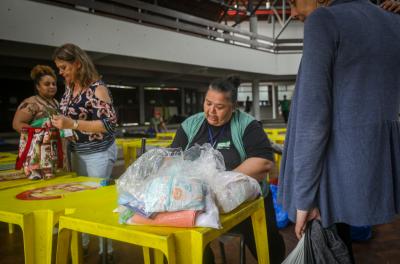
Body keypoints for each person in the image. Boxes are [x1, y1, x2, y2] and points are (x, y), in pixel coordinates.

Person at [278, 0, 400, 262]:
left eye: (293, 2)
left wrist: (304, 198)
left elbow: (313, 119)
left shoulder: (323, 20)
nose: (293, 13)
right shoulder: (394, 23)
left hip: (328, 174)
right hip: (375, 168)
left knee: (331, 250)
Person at [171, 76, 285, 264]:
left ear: (233, 106)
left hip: (245, 203)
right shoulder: (191, 125)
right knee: (188, 245)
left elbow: (263, 162)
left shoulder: (247, 125)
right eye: (208, 103)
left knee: (268, 248)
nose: (211, 111)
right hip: (199, 200)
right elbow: (173, 158)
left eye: (220, 106)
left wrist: (220, 182)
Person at [51, 43, 117, 263]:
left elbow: (109, 125)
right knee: (81, 202)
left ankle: (105, 250)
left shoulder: (97, 88)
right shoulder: (69, 90)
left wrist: (73, 123)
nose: (60, 72)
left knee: (98, 204)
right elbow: (67, 122)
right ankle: (85, 245)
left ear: (78, 64)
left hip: (98, 153)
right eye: (58, 68)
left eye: (64, 67)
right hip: (77, 152)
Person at [12, 65, 58, 132]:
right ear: (38, 87)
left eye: (54, 84)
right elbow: (17, 124)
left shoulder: (56, 102)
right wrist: (39, 134)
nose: (52, 86)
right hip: (38, 141)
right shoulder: (31, 103)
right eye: (47, 84)